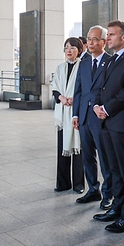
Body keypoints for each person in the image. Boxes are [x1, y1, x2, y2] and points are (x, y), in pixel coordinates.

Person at [91, 20, 124, 234]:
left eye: (112, 35)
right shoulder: (109, 61)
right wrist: (96, 106)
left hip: (122, 123)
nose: (108, 38)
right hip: (106, 123)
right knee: (113, 170)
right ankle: (117, 209)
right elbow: (99, 86)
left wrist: (106, 108)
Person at [73, 26, 114, 210]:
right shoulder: (83, 63)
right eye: (89, 39)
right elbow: (79, 90)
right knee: (87, 156)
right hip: (84, 117)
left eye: (95, 39)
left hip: (101, 118)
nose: (90, 42)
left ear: (104, 42)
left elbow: (112, 91)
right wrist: (75, 114)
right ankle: (93, 189)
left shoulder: (111, 62)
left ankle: (108, 194)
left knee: (105, 157)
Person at [52, 38, 84, 193]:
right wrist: (62, 98)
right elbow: (55, 88)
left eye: (72, 47)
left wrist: (75, 99)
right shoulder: (60, 68)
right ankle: (63, 183)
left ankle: (79, 185)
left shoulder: (83, 67)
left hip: (77, 111)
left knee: (79, 148)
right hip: (63, 112)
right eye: (66, 48)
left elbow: (86, 88)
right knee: (61, 148)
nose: (69, 51)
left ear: (79, 50)